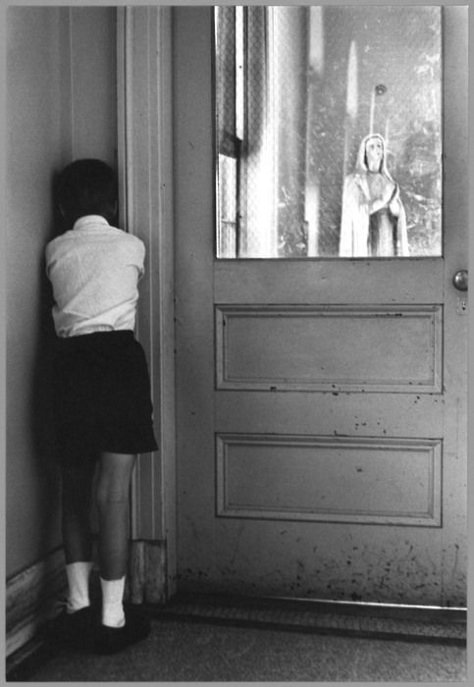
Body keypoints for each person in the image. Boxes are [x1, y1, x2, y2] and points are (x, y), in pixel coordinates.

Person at [44, 159, 158, 654]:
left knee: (73, 490)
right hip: (118, 364)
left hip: (68, 367)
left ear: (64, 206)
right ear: (112, 204)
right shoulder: (132, 245)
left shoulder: (54, 249)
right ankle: (113, 615)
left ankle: (76, 605)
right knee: (113, 495)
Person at [339, 133, 409, 257]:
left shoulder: (388, 182)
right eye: (372, 147)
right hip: (366, 236)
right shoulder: (353, 181)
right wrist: (382, 200)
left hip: (386, 235)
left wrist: (393, 204)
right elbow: (355, 213)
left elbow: (398, 216)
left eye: (379, 146)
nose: (377, 150)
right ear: (364, 152)